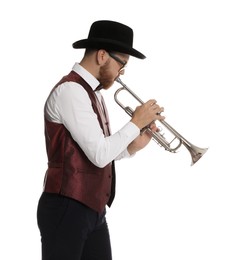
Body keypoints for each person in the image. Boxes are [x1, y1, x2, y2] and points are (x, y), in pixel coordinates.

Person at [37, 20, 165, 260]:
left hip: (93, 210)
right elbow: (99, 155)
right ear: (103, 56)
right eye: (122, 64)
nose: (122, 73)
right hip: (66, 206)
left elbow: (99, 149)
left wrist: (132, 146)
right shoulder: (71, 91)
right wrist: (135, 122)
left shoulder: (93, 93)